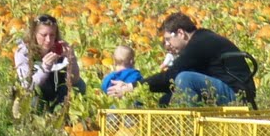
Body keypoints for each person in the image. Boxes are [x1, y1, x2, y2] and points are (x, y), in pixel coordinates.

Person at [107, 12, 255, 106]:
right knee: (166, 99)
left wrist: (131, 87)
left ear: (180, 33)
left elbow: (171, 76)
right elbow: (169, 83)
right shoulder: (201, 39)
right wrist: (138, 90)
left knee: (185, 78)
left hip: (237, 95)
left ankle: (188, 133)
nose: (167, 45)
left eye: (168, 40)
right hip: (223, 90)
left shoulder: (200, 43)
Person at [14, 14, 86, 111]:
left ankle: (62, 114)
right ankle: (37, 116)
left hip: (56, 90)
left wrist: (71, 58)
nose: (48, 40)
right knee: (32, 97)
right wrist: (45, 68)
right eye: (44, 35)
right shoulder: (23, 52)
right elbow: (28, 85)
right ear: (34, 34)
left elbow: (75, 80)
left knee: (80, 85)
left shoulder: (59, 48)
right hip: (36, 92)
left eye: (52, 35)